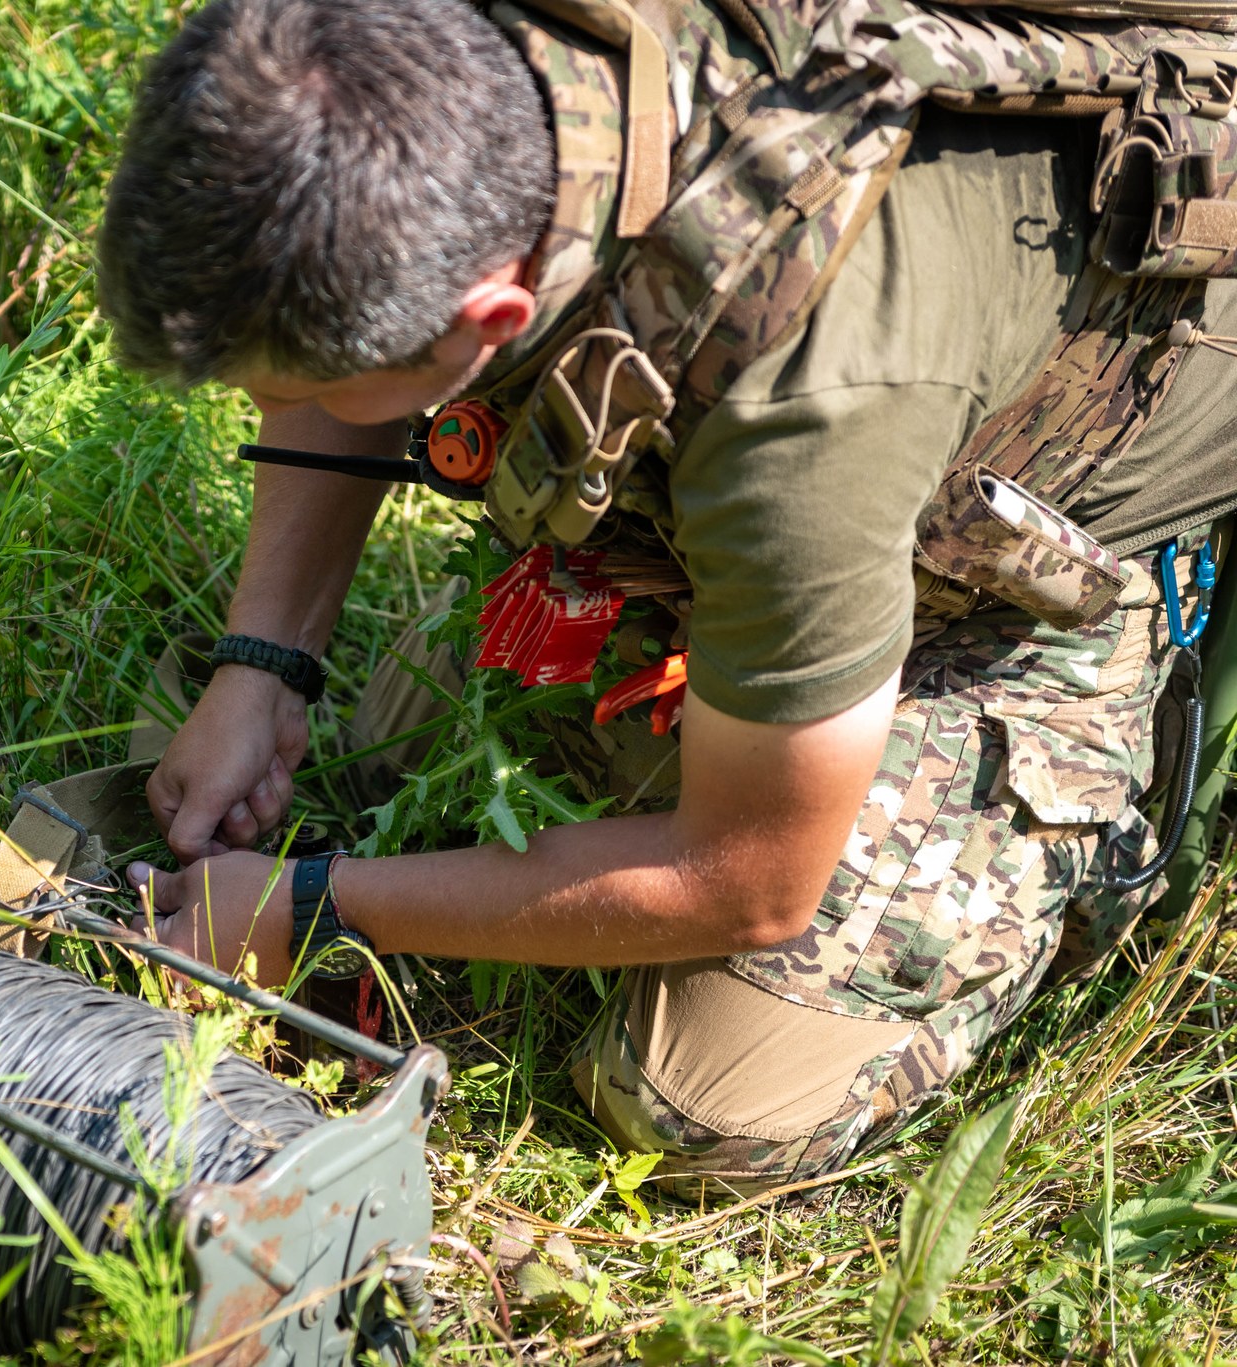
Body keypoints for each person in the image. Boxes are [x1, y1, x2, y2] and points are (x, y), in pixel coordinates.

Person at [93, 0, 1237, 1194]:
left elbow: (746, 876)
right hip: (812, 455)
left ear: (489, 314)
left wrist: (318, 910)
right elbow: (329, 320)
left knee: (705, 1095)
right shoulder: (394, 49)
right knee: (396, 748)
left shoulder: (805, 403)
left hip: (1014, 575)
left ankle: (1079, 806)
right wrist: (263, 662)